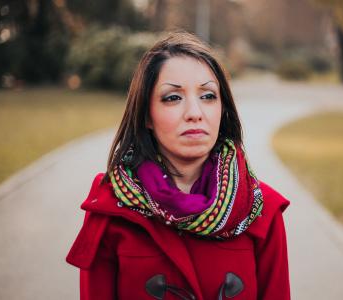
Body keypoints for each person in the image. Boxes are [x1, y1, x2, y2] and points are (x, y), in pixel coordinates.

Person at [66, 31, 291, 300]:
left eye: (207, 96)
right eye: (173, 98)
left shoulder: (262, 210)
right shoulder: (112, 209)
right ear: (147, 115)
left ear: (223, 108)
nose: (195, 113)